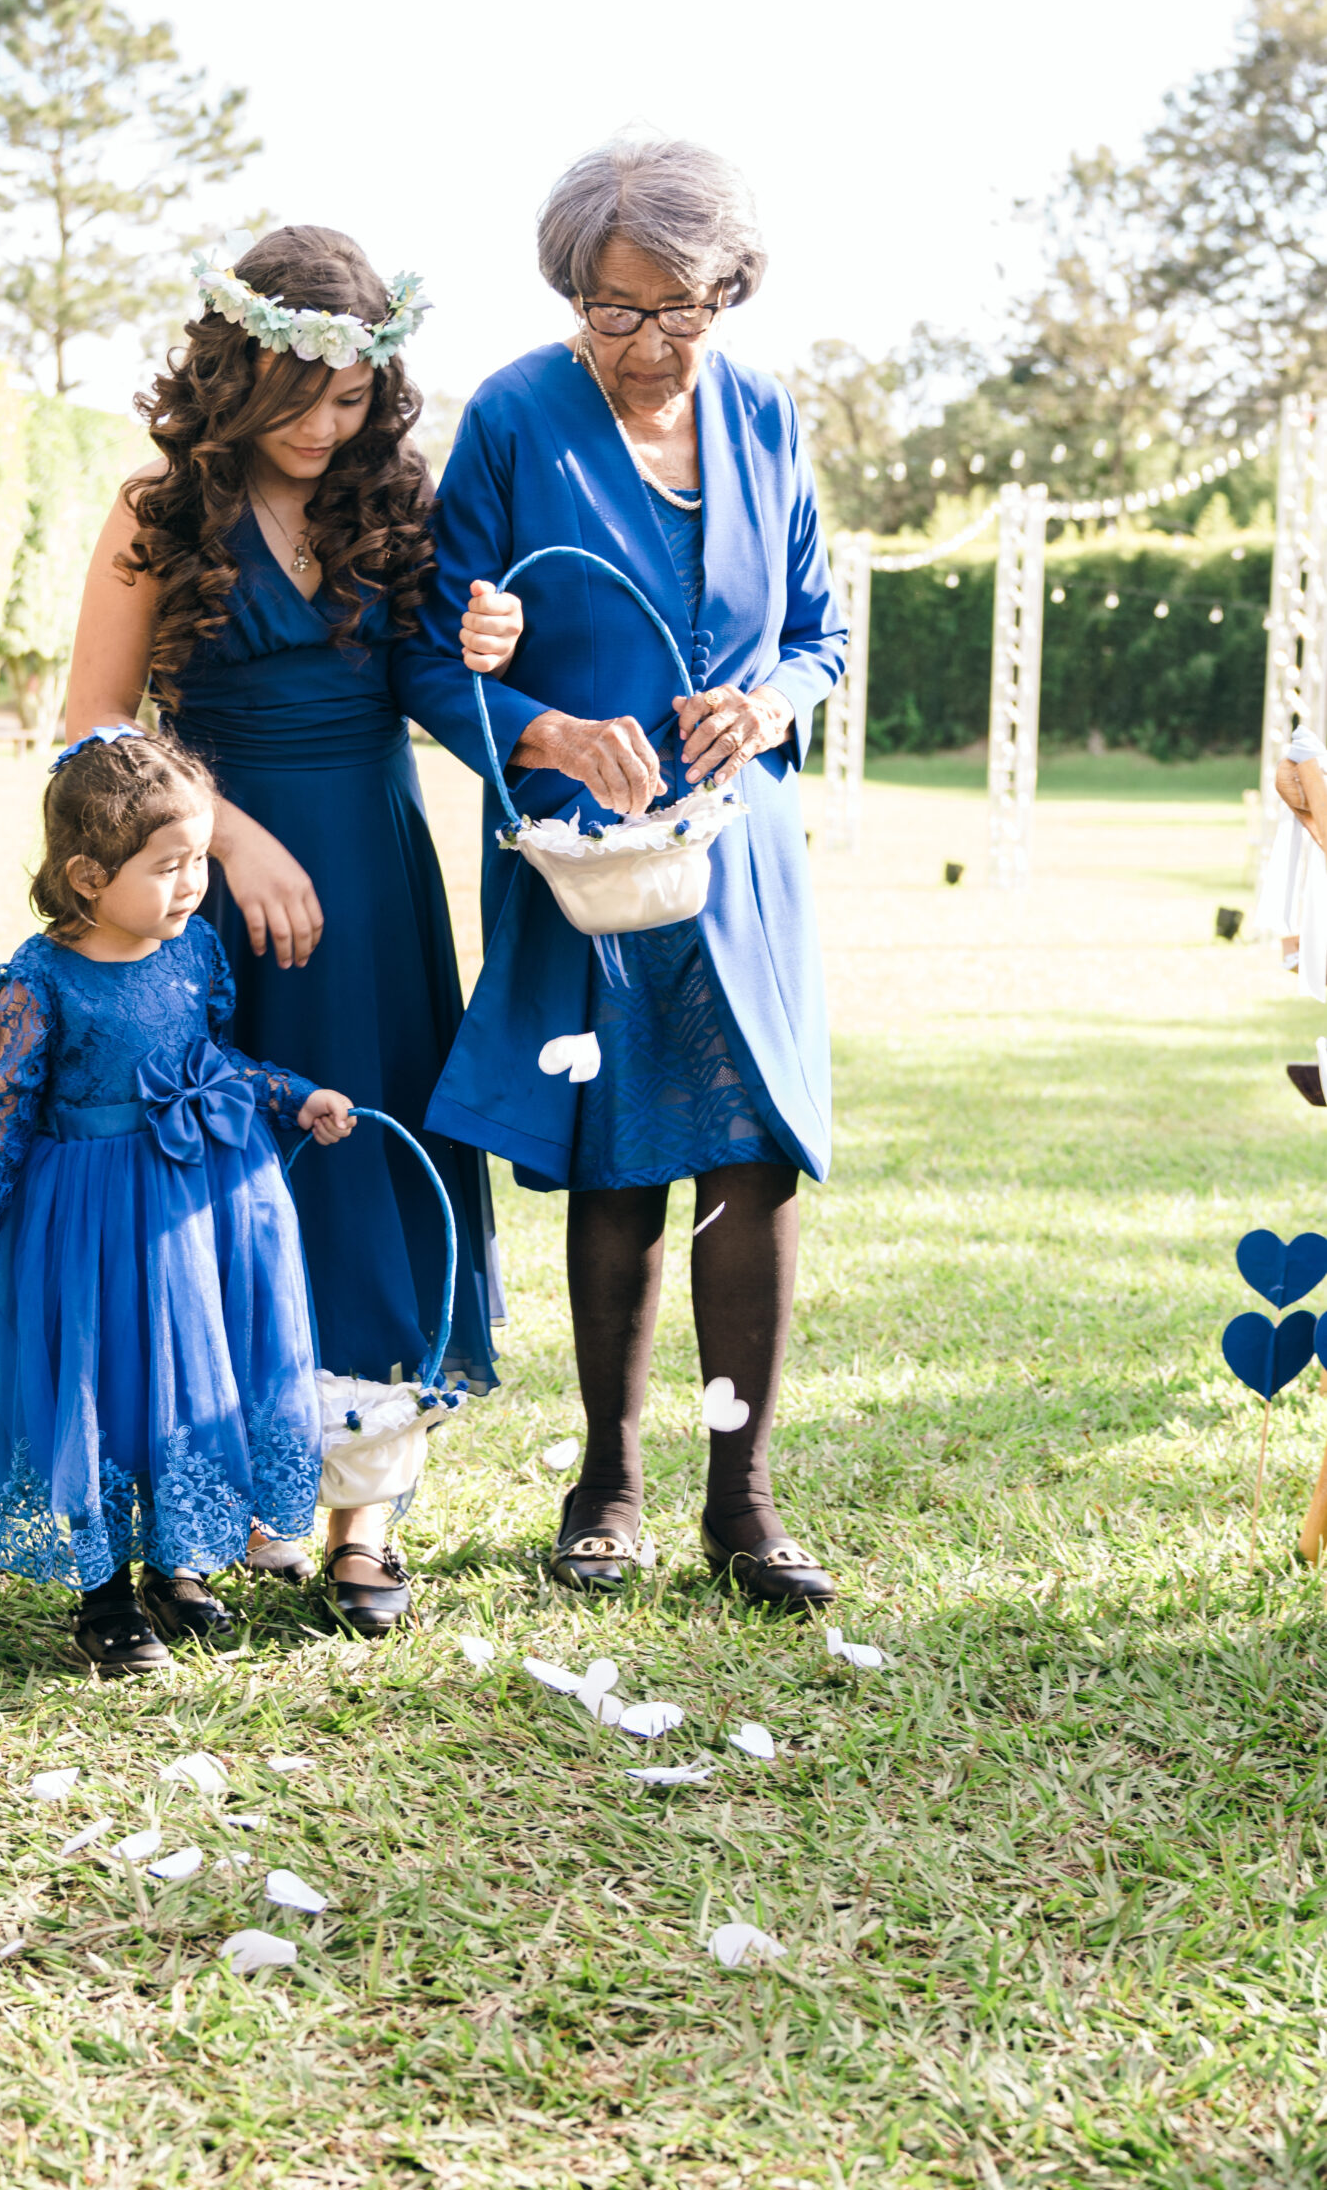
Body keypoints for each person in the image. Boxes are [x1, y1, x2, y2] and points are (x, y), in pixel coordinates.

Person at [393, 137, 847, 1613]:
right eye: (615, 310)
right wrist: (549, 733)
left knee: (751, 1154)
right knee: (614, 1155)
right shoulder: (513, 417)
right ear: (570, 294)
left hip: (739, 855)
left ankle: (744, 1498)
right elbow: (432, 652)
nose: (650, 342)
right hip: (586, 862)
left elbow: (819, 634)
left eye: (681, 310)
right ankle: (606, 1483)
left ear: (730, 291)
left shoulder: (766, 416)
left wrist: (767, 705)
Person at [64, 227, 520, 1634]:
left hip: (375, 880)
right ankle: (227, 1504)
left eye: (351, 398)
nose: (327, 428)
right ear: (236, 374)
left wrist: (490, 644)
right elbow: (90, 725)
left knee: (368, 1160)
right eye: (300, 397)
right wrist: (228, 836)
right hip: (207, 887)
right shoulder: (156, 509)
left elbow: (444, 683)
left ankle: (362, 1518)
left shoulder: (398, 501)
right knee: (221, 1177)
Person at [0, 727, 354, 1675]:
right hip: (93, 1222)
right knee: (107, 1389)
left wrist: (294, 1095)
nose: (193, 882)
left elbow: (214, 1061)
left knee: (189, 1384)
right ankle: (104, 1593)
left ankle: (176, 1565)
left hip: (200, 1205)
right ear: (87, 876)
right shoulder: (39, 979)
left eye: (199, 859)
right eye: (167, 866)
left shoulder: (194, 949)